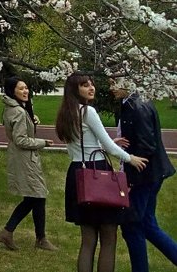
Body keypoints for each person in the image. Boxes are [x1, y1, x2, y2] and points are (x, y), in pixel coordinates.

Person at [55, 71, 149, 272]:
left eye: (91, 84)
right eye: (84, 85)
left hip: (77, 174)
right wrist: (130, 158)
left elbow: (86, 144)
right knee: (108, 237)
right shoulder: (88, 112)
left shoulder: (67, 113)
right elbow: (110, 147)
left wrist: (105, 144)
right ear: (75, 89)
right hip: (98, 174)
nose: (91, 88)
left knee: (88, 239)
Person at [110, 79, 177, 272]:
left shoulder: (136, 107)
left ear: (127, 83)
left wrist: (129, 179)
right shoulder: (131, 104)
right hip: (152, 174)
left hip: (144, 177)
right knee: (147, 224)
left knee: (132, 227)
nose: (112, 87)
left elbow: (146, 146)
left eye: (115, 82)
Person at [0, 76, 57, 251]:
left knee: (35, 197)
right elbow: (21, 140)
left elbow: (15, 127)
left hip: (21, 158)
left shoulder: (13, 109)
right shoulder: (19, 112)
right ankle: (15, 233)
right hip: (25, 159)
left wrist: (31, 120)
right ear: (12, 91)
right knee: (37, 195)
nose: (25, 91)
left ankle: (35, 237)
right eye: (21, 89)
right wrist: (42, 142)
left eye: (26, 88)